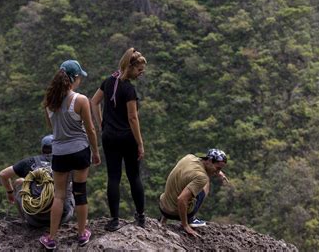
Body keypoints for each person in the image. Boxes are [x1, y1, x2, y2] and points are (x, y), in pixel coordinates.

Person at [39, 59, 101, 249]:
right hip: (80, 150)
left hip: (59, 153)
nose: (80, 80)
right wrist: (96, 152)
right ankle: (82, 234)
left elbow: (53, 129)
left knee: (59, 196)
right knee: (80, 193)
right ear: (74, 78)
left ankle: (51, 238)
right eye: (79, 77)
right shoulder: (80, 100)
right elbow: (90, 129)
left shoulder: (49, 103)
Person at [91, 47, 147, 231]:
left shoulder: (108, 81)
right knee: (134, 176)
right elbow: (133, 118)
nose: (141, 73)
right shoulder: (129, 89)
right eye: (139, 70)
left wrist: (102, 124)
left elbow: (94, 102)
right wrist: (139, 143)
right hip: (127, 138)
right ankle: (140, 218)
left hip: (109, 137)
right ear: (130, 68)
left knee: (113, 177)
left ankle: (114, 220)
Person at [0, 135, 74, 228]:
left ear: (42, 149)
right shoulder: (67, 162)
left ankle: (24, 219)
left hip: (35, 220)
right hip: (62, 219)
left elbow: (3, 174)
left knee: (20, 182)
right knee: (70, 184)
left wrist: (10, 192)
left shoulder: (30, 162)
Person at [159, 149, 230, 237]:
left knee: (179, 184)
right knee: (206, 182)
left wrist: (218, 172)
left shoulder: (188, 158)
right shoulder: (201, 177)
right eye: (218, 168)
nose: (217, 172)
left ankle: (163, 219)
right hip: (175, 213)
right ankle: (191, 219)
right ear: (210, 161)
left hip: (163, 207)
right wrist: (185, 225)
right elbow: (181, 199)